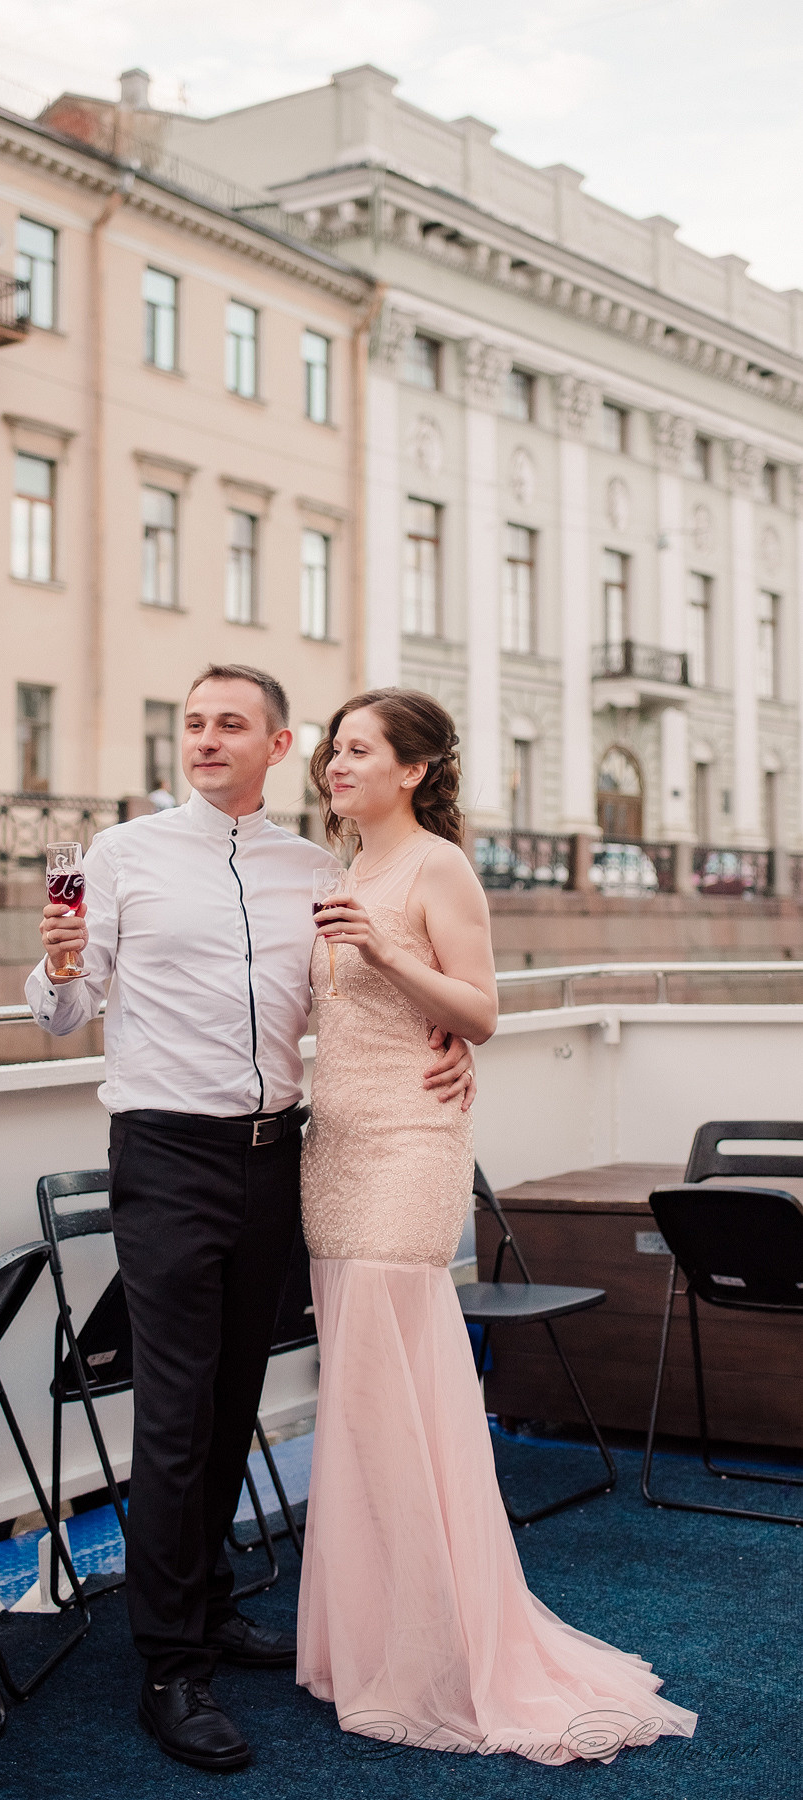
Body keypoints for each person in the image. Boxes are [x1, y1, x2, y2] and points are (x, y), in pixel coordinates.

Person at [26, 665, 476, 1772]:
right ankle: (169, 1662)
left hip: (281, 1154)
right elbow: (62, 1014)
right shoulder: (120, 853)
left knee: (236, 1393)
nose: (204, 739)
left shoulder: (315, 868)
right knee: (175, 1409)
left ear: (279, 748)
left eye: (230, 725)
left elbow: (357, 994)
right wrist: (53, 965)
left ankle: (213, 1599)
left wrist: (447, 1036)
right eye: (191, 723)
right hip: (166, 1154)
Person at [296, 687, 698, 1765]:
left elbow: (477, 1011)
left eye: (357, 751)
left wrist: (384, 953)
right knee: (359, 1395)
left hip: (406, 1149)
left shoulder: (435, 867)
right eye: (333, 750)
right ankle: (364, 1639)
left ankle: (441, 1651)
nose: (335, 766)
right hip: (328, 1153)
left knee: (403, 1396)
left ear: (411, 770)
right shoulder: (339, 871)